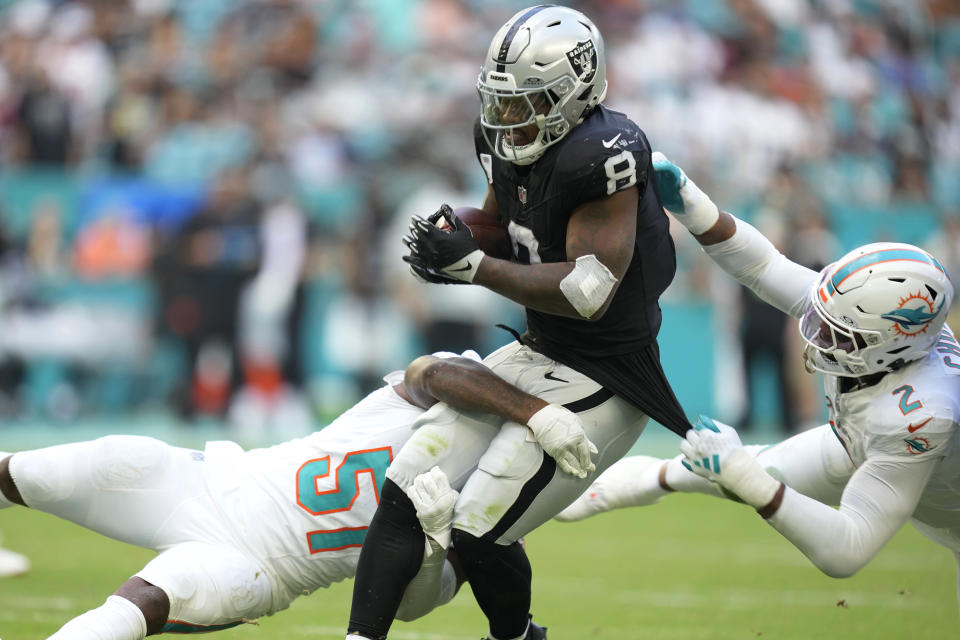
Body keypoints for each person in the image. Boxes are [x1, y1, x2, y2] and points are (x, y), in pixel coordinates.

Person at [348, 6, 691, 640]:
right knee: (406, 482)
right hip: (540, 349)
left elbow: (589, 289)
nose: (508, 119)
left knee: (479, 522)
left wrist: (473, 267)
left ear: (575, 91)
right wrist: (455, 236)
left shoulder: (605, 152)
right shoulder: (500, 141)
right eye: (501, 102)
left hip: (609, 371)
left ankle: (517, 637)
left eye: (527, 102)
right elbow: (505, 229)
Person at [559, 152, 960, 611]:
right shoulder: (884, 327)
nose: (819, 334)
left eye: (840, 334)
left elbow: (848, 547)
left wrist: (743, 476)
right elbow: (763, 266)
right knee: (753, 473)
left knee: (750, 475)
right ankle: (620, 486)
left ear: (891, 346)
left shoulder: (922, 414)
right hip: (868, 448)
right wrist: (690, 201)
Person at [0, 350, 592, 639]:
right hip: (215, 481)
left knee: (143, 601)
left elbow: (415, 603)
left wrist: (436, 541)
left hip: (259, 568)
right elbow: (434, 374)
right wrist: (536, 413)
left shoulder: (491, 495)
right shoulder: (451, 385)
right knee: (44, 471)